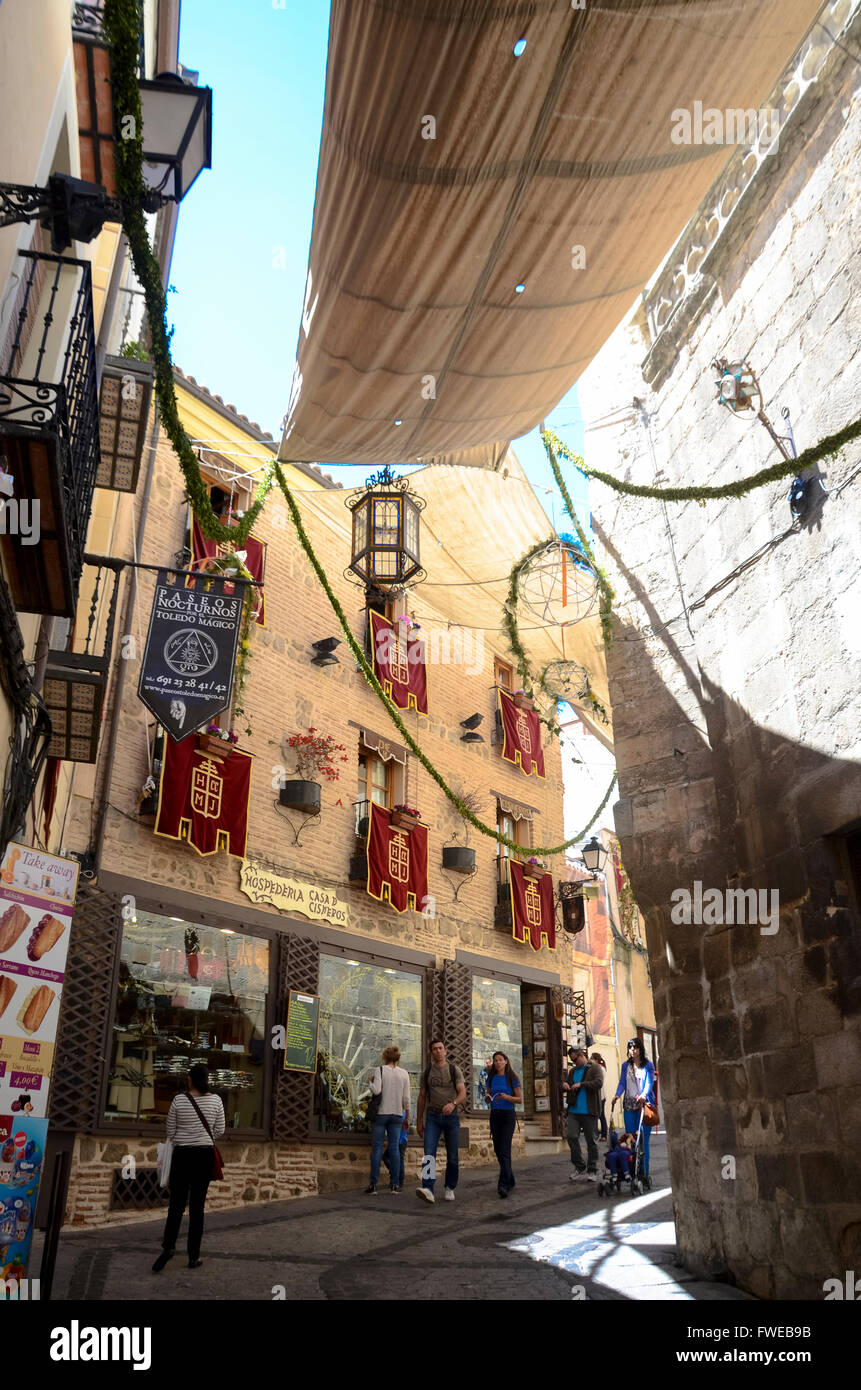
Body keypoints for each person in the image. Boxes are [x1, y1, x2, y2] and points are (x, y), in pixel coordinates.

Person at [153, 1064, 225, 1271]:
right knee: (197, 1207)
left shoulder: (179, 1100)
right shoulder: (216, 1100)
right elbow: (219, 1129)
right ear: (207, 1079)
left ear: (189, 1079)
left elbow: (171, 1131)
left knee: (176, 1205)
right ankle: (194, 1256)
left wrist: (186, 1138)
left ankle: (168, 1247)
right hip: (204, 1155)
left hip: (183, 1155)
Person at [416, 1039, 466, 1204]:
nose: (438, 1051)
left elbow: (462, 1093)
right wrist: (418, 1120)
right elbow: (422, 1097)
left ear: (445, 1051)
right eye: (434, 1049)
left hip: (451, 1118)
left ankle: (450, 1187)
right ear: (431, 1053)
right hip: (432, 1117)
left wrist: (453, 1104)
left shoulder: (454, 1070)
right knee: (428, 1154)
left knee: (452, 1155)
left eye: (440, 1048)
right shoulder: (428, 1072)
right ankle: (428, 1189)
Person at [365, 1045, 411, 1194]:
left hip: (381, 1113)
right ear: (398, 1058)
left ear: (385, 1057)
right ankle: (394, 1185)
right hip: (397, 1115)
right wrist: (407, 1117)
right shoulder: (404, 1074)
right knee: (394, 1149)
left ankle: (373, 1185)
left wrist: (370, 1083)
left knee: (377, 1148)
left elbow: (376, 1090)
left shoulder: (380, 1070)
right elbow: (406, 1099)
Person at [611, 1037, 657, 1176]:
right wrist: (617, 1095)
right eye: (630, 1047)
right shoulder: (626, 1066)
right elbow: (622, 1083)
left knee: (643, 1140)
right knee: (631, 1138)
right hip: (629, 1106)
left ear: (640, 1049)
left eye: (635, 1047)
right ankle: (633, 1170)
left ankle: (644, 1172)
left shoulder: (648, 1065)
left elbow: (649, 1083)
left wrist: (643, 1094)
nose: (632, 1050)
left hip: (644, 1106)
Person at [563, 1046, 603, 1180]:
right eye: (572, 1060)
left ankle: (592, 1169)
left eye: (575, 1060)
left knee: (591, 1140)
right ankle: (579, 1166)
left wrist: (581, 1084)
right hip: (574, 1110)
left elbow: (598, 1083)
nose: (574, 1063)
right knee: (571, 1136)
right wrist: (565, 1085)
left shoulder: (594, 1068)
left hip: (589, 1110)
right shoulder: (573, 1071)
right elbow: (567, 1084)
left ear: (582, 1055)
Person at [485, 1050, 521, 1198]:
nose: (498, 1062)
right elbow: (487, 1094)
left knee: (505, 1149)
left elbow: (519, 1099)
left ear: (506, 1061)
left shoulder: (511, 1077)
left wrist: (508, 1097)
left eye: (500, 1060)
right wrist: (488, 1098)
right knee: (498, 1150)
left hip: (507, 1116)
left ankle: (503, 1185)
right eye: (496, 1060)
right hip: (495, 1115)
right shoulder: (491, 1077)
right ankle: (510, 1178)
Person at [590, 1051, 609, 1141]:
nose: (590, 1060)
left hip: (600, 1096)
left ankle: (604, 1134)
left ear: (596, 1060)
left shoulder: (601, 1069)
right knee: (596, 1115)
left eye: (592, 1058)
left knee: (601, 1115)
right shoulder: (595, 1068)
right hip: (595, 1095)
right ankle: (597, 1133)